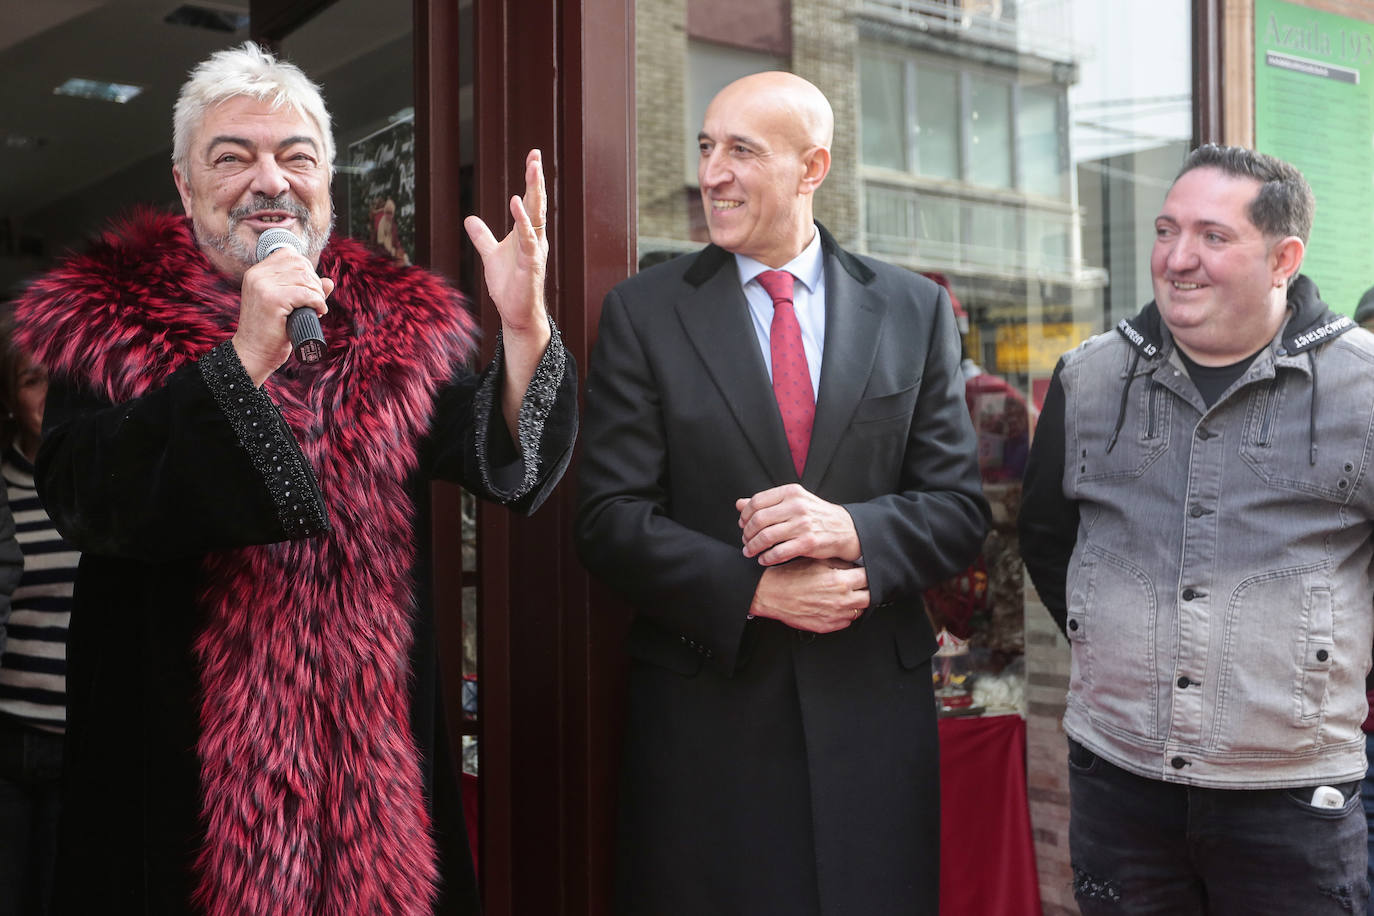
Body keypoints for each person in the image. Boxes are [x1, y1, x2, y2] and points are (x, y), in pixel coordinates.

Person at [14, 42, 576, 916]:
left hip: (368, 791)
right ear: (184, 183)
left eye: (295, 156)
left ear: (326, 180)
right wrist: (244, 359)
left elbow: (500, 460)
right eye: (232, 156)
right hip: (188, 791)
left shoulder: (392, 318)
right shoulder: (106, 318)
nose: (268, 181)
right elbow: (88, 497)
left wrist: (523, 326)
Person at [575, 71, 988, 915]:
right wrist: (756, 590)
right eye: (705, 147)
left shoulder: (914, 310)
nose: (713, 173)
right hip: (706, 723)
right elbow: (608, 522)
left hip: (871, 721)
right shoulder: (643, 313)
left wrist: (851, 528)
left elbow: (958, 512)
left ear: (812, 168)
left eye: (741, 151)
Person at [1019, 145, 1374, 914]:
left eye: (1213, 236)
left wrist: (1322, 669)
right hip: (1118, 784)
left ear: (1284, 257)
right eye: (1166, 229)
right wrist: (1114, 634)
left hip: (1289, 791)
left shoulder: (1364, 388)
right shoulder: (1089, 379)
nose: (1179, 258)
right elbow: (1046, 538)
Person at [0, 307, 40, 916]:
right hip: (15, 737)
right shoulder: (4, 484)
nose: (52, 392)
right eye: (34, 378)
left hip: (93, 727)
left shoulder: (102, 476)